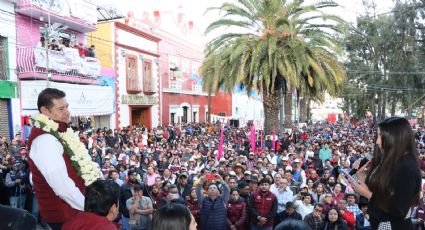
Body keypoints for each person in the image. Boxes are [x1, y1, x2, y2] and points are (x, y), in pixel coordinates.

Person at [27, 88, 87, 229]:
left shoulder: (59, 132)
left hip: (74, 213)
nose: (67, 112)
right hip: (65, 216)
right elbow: (62, 187)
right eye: (61, 109)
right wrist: (93, 209)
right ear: (45, 111)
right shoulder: (44, 140)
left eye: (67, 106)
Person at [350, 117, 421, 229]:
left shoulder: (407, 167)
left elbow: (397, 209)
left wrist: (367, 194)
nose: (377, 141)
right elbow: (384, 193)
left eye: (380, 136)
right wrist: (363, 179)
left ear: (395, 138)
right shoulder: (391, 160)